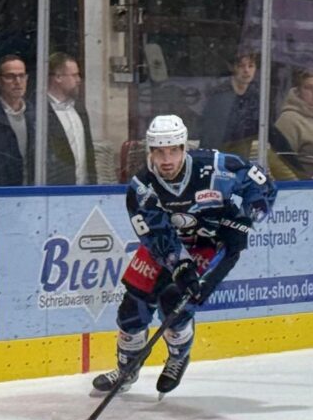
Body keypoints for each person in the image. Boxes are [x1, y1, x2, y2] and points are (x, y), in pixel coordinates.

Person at [91, 114, 277, 396]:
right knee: (132, 307)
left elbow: (262, 185)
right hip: (168, 245)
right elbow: (156, 235)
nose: (167, 159)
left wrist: (245, 220)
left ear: (183, 148)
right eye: (160, 152)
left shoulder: (215, 168)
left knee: (174, 300)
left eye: (173, 150)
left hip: (209, 243)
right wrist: (180, 264)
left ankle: (178, 357)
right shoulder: (142, 188)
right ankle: (126, 371)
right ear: (150, 152)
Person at [201, 54, 298, 180]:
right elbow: (210, 135)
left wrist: (295, 164)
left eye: (250, 66)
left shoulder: (256, 94)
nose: (246, 70)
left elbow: (270, 132)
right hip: (224, 154)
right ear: (232, 68)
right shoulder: (220, 97)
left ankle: (296, 183)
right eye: (241, 66)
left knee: (272, 157)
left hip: (248, 150)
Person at [46, 52, 97, 185]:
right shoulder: (40, 112)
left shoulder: (79, 109)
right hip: (55, 191)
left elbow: (88, 151)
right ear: (58, 77)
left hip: (83, 190)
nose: (79, 79)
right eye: (74, 75)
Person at [0, 54, 32, 185]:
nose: (18, 81)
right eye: (10, 77)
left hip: (33, 192)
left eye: (22, 76)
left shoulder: (36, 115)